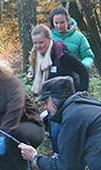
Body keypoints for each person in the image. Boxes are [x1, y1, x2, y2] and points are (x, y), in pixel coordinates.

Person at [28, 24, 89, 153]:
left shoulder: (62, 55)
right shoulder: (36, 56)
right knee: (54, 133)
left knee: (60, 133)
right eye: (35, 43)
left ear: (49, 39)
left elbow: (83, 71)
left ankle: (68, 161)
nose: (38, 46)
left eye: (41, 43)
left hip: (67, 101)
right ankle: (58, 159)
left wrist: (82, 94)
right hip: (50, 101)